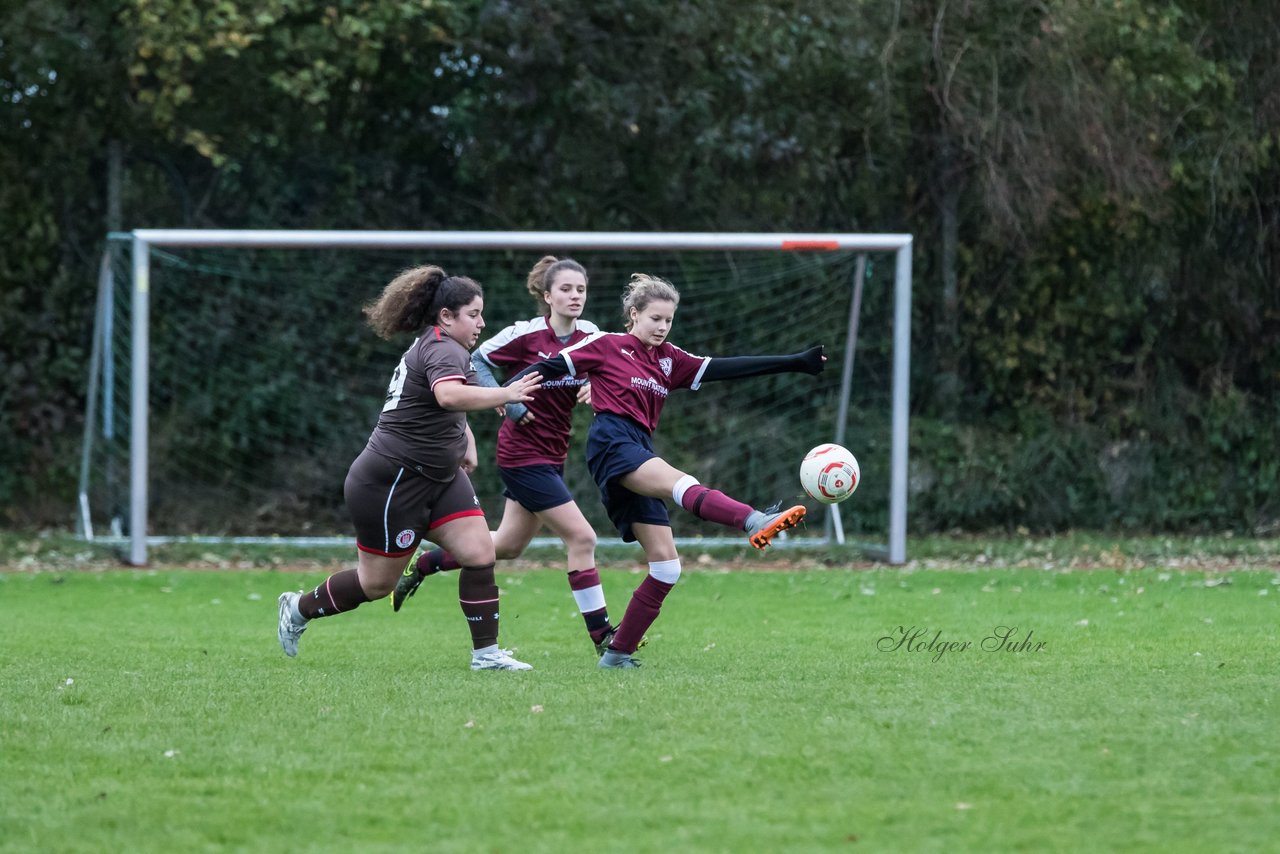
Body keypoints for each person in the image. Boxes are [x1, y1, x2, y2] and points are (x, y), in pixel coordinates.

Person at [508, 273, 826, 668]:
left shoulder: (670, 359)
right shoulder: (608, 345)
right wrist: (506, 395)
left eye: (668, 320)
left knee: (666, 566)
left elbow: (728, 368)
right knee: (682, 484)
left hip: (638, 446)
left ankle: (617, 654)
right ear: (634, 314)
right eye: (654, 318)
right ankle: (754, 520)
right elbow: (550, 367)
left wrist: (795, 362)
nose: (661, 327)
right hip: (612, 443)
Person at [276, 265, 543, 671]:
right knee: (376, 584)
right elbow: (449, 395)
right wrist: (505, 392)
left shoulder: (451, 348)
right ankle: (298, 608)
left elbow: (454, 400)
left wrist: (465, 439)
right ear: (446, 317)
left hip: (438, 477)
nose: (482, 323)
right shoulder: (442, 347)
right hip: (391, 481)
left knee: (478, 551)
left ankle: (486, 656)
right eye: (474, 314)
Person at [392, 255, 626, 656]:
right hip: (521, 453)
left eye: (581, 289)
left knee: (507, 545)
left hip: (552, 452)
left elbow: (603, 370)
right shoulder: (525, 335)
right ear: (547, 295)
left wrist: (594, 386)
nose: (574, 296)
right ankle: (604, 638)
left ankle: (427, 564)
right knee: (582, 537)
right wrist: (510, 404)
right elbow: (477, 361)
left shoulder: (591, 335)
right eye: (566, 289)